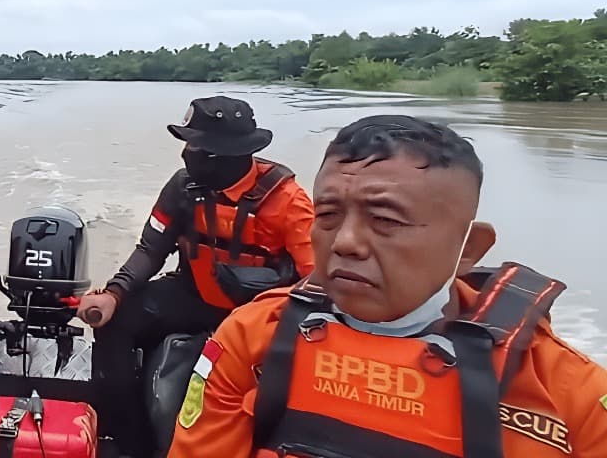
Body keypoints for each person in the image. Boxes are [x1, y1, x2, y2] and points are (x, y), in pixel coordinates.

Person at [166, 114, 607, 458]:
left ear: (468, 247)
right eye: (328, 215)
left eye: (386, 221)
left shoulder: (570, 396)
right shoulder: (253, 335)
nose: (345, 242)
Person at [76, 95, 316, 457]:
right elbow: (150, 250)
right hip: (194, 294)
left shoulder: (288, 202)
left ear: (231, 154)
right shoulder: (182, 188)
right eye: (188, 143)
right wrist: (113, 294)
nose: (189, 153)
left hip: (258, 314)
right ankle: (129, 440)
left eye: (198, 145)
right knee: (115, 323)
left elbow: (317, 281)